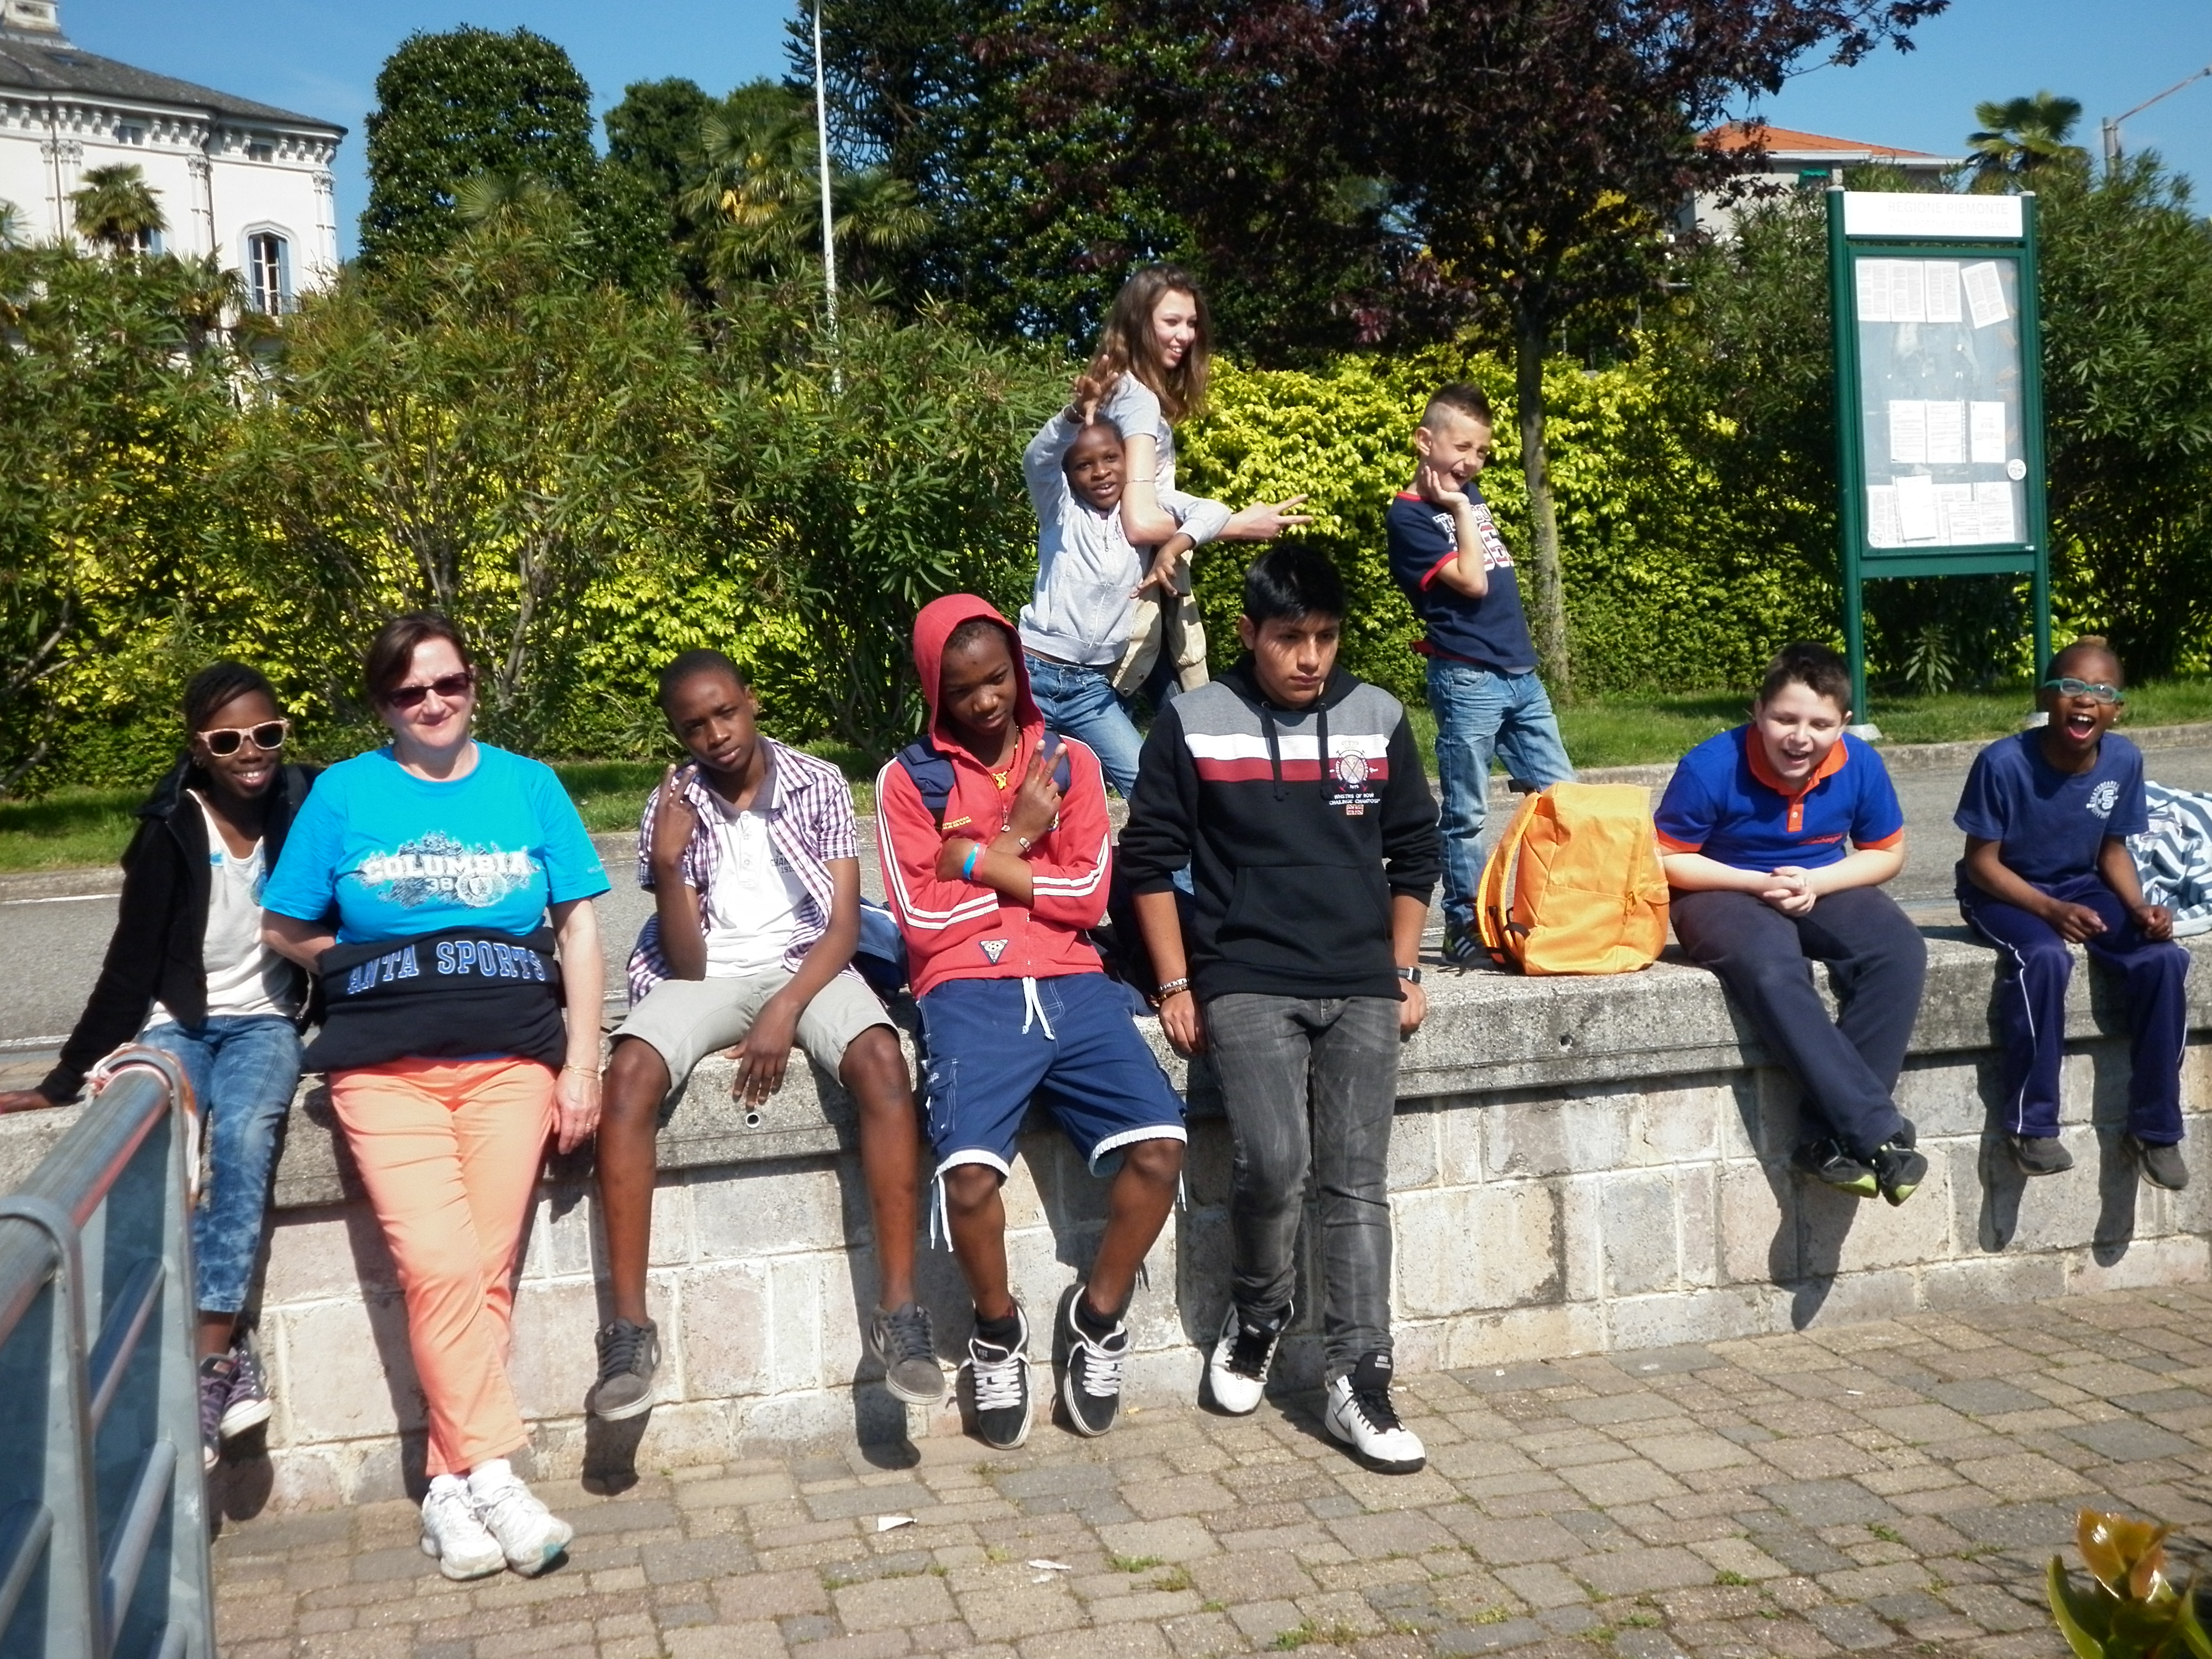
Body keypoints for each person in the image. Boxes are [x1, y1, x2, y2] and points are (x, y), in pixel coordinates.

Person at [261, 613, 607, 1582]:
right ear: (384, 705)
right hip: (384, 1071)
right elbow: (285, 923)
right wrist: (370, 968)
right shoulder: (344, 794)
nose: (433, 704)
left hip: (513, 1064)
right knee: (442, 1265)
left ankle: (447, 1491)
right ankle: (496, 1475)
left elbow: (579, 929)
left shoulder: (529, 786)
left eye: (448, 684)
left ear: (473, 686)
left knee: (481, 1274)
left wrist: (583, 1065)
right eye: (410, 692)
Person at [1120, 546, 1441, 1474]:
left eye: (1327, 638)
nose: (1311, 658)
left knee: (1355, 1181)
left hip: (1361, 981)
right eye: (1291, 638)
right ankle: (1258, 1313)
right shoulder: (1194, 722)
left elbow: (1415, 850)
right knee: (1275, 1161)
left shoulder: (1378, 716)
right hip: (1247, 978)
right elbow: (1148, 861)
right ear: (1249, 633)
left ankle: (1360, 1378)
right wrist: (1176, 984)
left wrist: (1401, 966)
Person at [587, 650, 939, 1420]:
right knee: (631, 1072)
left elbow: (843, 927)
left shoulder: (817, 782)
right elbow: (687, 965)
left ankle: (900, 1315)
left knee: (883, 1062)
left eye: (725, 712)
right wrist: (669, 863)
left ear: (750, 701)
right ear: (677, 733)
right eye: (694, 726)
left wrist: (785, 1009)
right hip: (708, 976)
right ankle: (628, 1333)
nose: (715, 734)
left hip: (809, 963)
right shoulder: (670, 805)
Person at [877, 594, 1186, 1449]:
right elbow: (921, 923)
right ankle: (997, 1330)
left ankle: (1100, 1316)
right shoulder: (908, 781)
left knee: (1161, 1147)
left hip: (1075, 983)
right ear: (935, 689)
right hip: (965, 993)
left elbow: (1087, 898)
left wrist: (976, 858)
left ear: (1018, 670)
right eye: (962, 688)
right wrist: (1019, 840)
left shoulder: (1071, 760)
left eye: (997, 679)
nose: (985, 701)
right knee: (970, 1179)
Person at [0, 663, 316, 1471]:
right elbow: (129, 965)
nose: (252, 753)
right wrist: (61, 1082)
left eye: (266, 734)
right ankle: (209, 1358)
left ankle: (211, 1362)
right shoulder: (170, 830)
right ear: (198, 749)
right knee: (164, 1143)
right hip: (180, 1025)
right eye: (228, 741)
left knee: (245, 1134)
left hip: (266, 1024)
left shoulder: (306, 801)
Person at [1655, 642, 1928, 1206]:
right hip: (1720, 887)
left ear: (1843, 724)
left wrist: (1816, 883)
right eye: (1785, 719)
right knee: (1775, 968)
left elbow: (1886, 853)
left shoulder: (1860, 763)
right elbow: (1666, 858)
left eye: (1820, 725)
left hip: (1817, 878)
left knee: (1899, 951)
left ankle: (1825, 1138)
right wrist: (1756, 884)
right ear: (1758, 711)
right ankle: (1877, 1132)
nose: (1800, 737)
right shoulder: (1709, 767)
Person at [1954, 638, 2189, 1189]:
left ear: (2117, 709)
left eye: (2102, 692)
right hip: (2002, 891)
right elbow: (1981, 864)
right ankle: (2030, 1126)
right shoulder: (2002, 763)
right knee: (2044, 958)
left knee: (2162, 960)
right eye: (2072, 687)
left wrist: (2139, 908)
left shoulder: (2124, 760)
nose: (2086, 700)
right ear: (2045, 698)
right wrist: (2048, 909)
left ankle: (2155, 1128)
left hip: (2080, 883)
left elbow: (2112, 850)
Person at [1385, 383, 1575, 966]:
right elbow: (1470, 582)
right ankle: (1463, 920)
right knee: (1467, 811)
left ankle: (1561, 908)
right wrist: (1461, 508)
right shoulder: (1411, 516)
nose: (1471, 462)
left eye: (1482, 452)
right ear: (1425, 441)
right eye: (1461, 447)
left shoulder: (1463, 493)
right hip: (1467, 677)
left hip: (1520, 673)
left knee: (1566, 796)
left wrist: (1463, 502)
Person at [1018, 408, 1218, 800]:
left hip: (1091, 690)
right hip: (1033, 677)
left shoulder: (1143, 516)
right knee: (1028, 788)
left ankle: (1180, 849)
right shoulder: (1061, 511)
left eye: (1111, 458)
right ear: (1068, 474)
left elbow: (1213, 512)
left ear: (1130, 461)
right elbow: (1036, 459)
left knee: (1150, 790)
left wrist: (1172, 547)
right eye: (1084, 465)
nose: (1101, 472)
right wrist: (1072, 415)